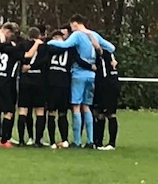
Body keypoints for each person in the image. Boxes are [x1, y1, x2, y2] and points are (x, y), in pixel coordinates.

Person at [47, 14, 115, 148]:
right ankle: (90, 140)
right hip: (91, 75)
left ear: (75, 23)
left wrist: (49, 42)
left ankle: (77, 140)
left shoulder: (77, 35)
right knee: (87, 106)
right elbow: (111, 48)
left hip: (78, 74)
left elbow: (65, 45)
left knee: (76, 106)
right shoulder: (94, 35)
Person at [0, 22, 41, 147]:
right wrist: (37, 44)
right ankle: (4, 140)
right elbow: (28, 55)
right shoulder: (13, 50)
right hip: (4, 84)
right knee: (8, 112)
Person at [45, 29, 96, 149]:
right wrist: (90, 66)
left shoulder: (50, 47)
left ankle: (55, 141)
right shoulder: (69, 48)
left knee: (54, 112)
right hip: (63, 82)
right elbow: (78, 59)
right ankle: (65, 140)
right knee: (62, 112)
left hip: (53, 82)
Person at [17, 27, 50, 147]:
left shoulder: (22, 45)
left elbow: (20, 58)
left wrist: (27, 66)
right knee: (39, 111)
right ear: (39, 36)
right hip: (39, 80)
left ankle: (21, 140)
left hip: (25, 80)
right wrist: (34, 66)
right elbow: (45, 61)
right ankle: (37, 141)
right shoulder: (44, 47)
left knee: (23, 110)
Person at [94, 49, 120, 150]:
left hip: (108, 86)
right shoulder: (109, 56)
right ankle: (99, 143)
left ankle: (111, 143)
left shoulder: (105, 54)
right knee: (101, 114)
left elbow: (98, 49)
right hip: (107, 86)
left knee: (110, 114)